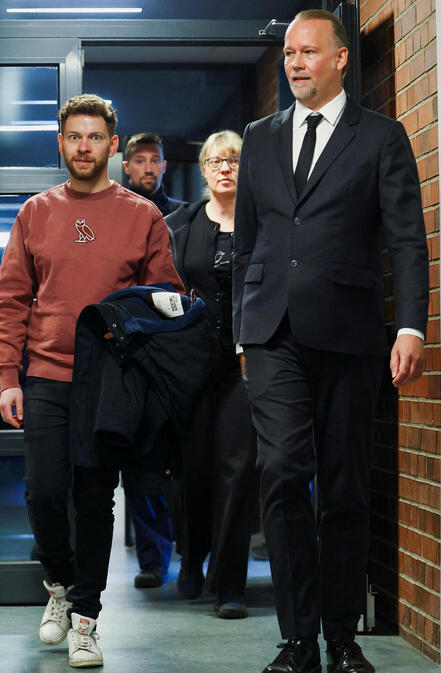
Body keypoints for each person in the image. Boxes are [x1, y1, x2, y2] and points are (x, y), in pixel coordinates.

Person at [232, 10, 429, 673]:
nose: (293, 63)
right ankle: (297, 639)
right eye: (287, 52)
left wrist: (410, 324)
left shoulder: (379, 137)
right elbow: (250, 240)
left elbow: (405, 235)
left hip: (349, 333)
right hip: (271, 333)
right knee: (284, 472)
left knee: (344, 485)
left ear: (341, 59)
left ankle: (341, 637)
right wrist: (241, 327)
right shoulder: (258, 138)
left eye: (307, 51)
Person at [0, 94, 183, 669]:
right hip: (47, 374)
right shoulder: (36, 212)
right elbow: (11, 299)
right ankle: (57, 581)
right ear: (61, 144)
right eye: (74, 137)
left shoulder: (142, 216)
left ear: (113, 146)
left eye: (95, 138)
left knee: (96, 500)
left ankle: (84, 621)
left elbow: (164, 301)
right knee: (44, 492)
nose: (84, 147)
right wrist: (8, 375)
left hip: (112, 383)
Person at [166, 130, 257, 619]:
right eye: (215, 161)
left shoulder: (264, 223)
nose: (225, 168)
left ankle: (230, 583)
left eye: (235, 160)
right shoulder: (177, 226)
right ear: (203, 170)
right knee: (190, 471)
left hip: (244, 365)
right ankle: (192, 555)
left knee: (237, 469)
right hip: (191, 367)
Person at [117, 131, 183, 589]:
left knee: (175, 462)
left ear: (163, 166)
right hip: (127, 348)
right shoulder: (114, 212)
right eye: (137, 160)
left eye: (152, 161)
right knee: (138, 461)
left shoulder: (184, 216)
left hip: (174, 350)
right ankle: (152, 561)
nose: (146, 168)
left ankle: (191, 555)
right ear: (126, 166)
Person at [123, 132, 187, 216]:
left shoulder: (185, 214)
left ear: (164, 166)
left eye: (155, 161)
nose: (148, 170)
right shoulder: (110, 211)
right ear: (126, 167)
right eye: (140, 161)